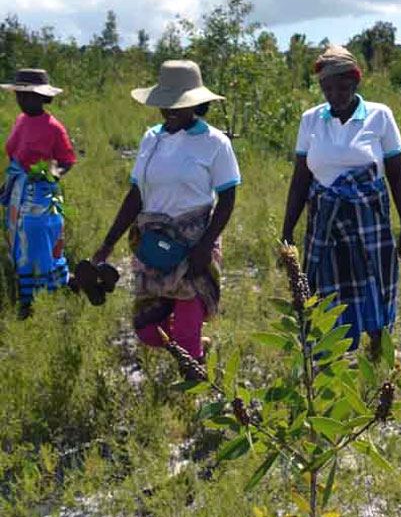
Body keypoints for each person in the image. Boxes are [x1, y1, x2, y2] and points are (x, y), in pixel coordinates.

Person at [93, 60, 239, 362]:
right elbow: (136, 195)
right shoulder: (152, 138)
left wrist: (205, 246)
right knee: (148, 329)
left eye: (179, 103)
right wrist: (107, 245)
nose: (171, 109)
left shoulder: (214, 143)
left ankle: (192, 377)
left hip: (193, 244)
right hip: (153, 246)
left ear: (196, 103)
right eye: (166, 103)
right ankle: (194, 345)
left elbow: (227, 198)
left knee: (186, 329)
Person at [281, 45, 401, 355]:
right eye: (327, 88)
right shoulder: (311, 120)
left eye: (342, 87)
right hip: (325, 223)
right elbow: (301, 178)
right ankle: (330, 362)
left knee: (374, 287)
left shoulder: (379, 116)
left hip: (369, 223)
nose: (335, 94)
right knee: (326, 293)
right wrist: (288, 230)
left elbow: (396, 175)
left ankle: (379, 359)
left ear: (356, 83)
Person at [1, 69, 76, 317]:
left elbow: (67, 160)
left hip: (41, 195)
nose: (23, 100)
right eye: (20, 95)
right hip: (18, 193)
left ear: (43, 97)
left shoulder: (53, 127)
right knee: (19, 243)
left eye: (29, 95)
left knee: (39, 238)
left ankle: (48, 293)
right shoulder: (21, 120)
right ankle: (26, 298)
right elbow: (14, 153)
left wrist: (51, 173)